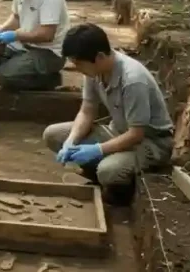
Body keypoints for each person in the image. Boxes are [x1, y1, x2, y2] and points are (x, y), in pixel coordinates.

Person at [43, 23, 174, 204]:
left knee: (109, 171)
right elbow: (87, 110)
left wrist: (97, 150)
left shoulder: (132, 80)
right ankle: (98, 174)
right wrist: (70, 141)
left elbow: (137, 134)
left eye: (78, 63)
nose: (76, 68)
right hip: (118, 131)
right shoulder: (94, 72)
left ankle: (120, 192)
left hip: (150, 143)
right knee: (53, 135)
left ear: (100, 57)